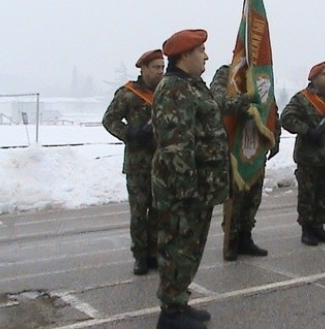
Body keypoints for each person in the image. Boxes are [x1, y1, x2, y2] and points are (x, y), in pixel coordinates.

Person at [152, 29, 227, 329]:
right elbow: (176, 145)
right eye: (201, 51)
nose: (206, 56)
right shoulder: (174, 88)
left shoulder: (192, 85)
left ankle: (179, 302)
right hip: (183, 190)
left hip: (199, 187)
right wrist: (186, 192)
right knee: (177, 249)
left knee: (190, 248)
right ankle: (170, 314)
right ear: (184, 56)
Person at [102, 49, 164, 276]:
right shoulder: (129, 94)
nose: (160, 71)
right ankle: (140, 256)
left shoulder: (166, 93)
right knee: (139, 212)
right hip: (137, 165)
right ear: (144, 69)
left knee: (159, 211)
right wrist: (129, 133)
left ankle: (154, 253)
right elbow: (109, 120)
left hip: (161, 163)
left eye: (162, 67)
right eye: (156, 67)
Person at [209, 64, 281, 261]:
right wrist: (248, 99)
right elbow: (220, 102)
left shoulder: (261, 77)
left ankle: (245, 237)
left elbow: (271, 108)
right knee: (236, 198)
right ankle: (231, 240)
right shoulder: (226, 73)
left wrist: (275, 136)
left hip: (255, 147)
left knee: (253, 197)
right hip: (233, 148)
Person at [281, 61, 325, 246]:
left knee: (324, 195)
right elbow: (286, 118)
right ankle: (307, 229)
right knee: (308, 195)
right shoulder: (303, 98)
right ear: (314, 78)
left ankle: (319, 226)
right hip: (309, 157)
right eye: (324, 74)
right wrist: (308, 131)